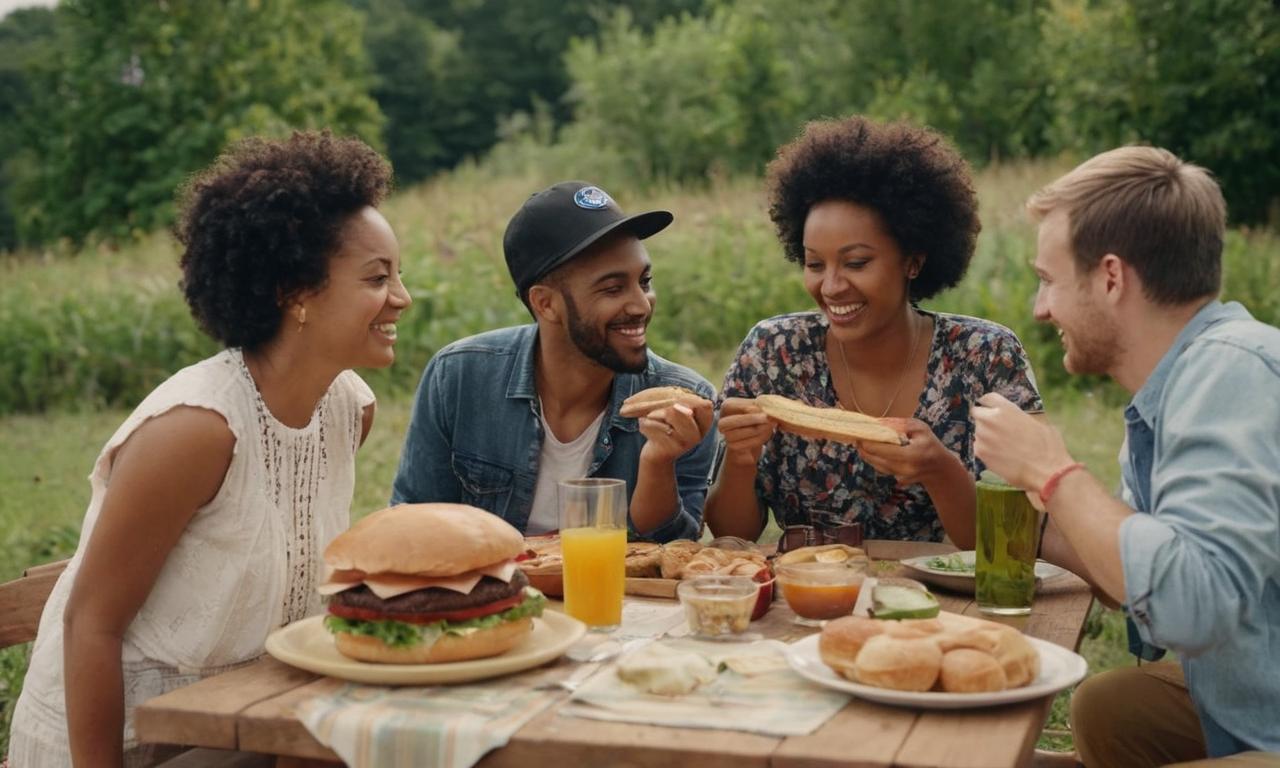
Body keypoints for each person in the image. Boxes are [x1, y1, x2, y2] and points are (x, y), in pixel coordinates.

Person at [7, 131, 410, 768]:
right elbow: (91, 625)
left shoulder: (347, 408)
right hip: (136, 746)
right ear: (294, 293)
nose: (401, 298)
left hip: (251, 725)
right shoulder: (197, 429)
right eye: (376, 278)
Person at [973, 146, 1280, 765]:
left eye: (1048, 280)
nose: (1040, 308)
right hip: (1257, 690)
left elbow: (1191, 607)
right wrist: (1017, 501)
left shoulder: (1233, 371)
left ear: (1111, 277)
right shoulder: (1171, 387)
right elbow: (1130, 584)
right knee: (1111, 707)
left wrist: (1054, 473)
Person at [704, 116, 1042, 547]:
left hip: (949, 607)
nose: (830, 286)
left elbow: (1015, 542)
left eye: (856, 263)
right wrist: (741, 458)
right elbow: (733, 534)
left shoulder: (987, 355)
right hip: (811, 597)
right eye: (814, 264)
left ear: (913, 260)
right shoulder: (773, 352)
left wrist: (940, 472)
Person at [390, 181, 716, 542]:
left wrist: (658, 463)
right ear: (545, 303)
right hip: (493, 596)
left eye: (645, 281)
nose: (641, 305)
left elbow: (672, 554)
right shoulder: (458, 377)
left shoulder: (687, 402)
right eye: (612, 288)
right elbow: (413, 526)